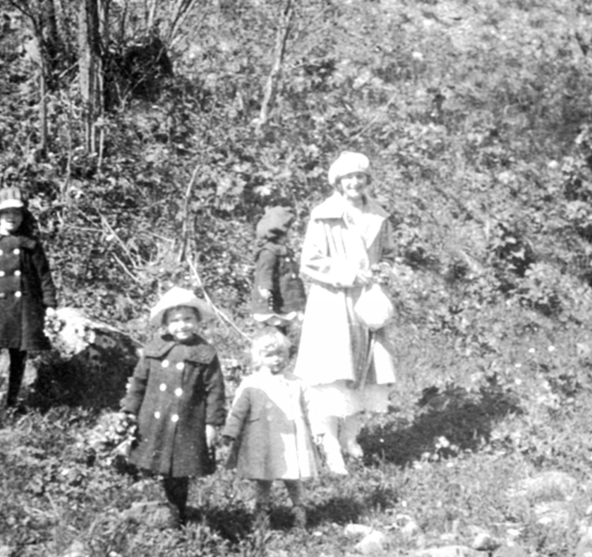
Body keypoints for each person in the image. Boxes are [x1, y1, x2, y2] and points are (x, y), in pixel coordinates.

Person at [293, 151, 397, 475]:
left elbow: (389, 254)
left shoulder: (378, 215)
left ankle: (351, 437)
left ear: (368, 181)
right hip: (332, 301)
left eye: (360, 177)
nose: (354, 183)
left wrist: (382, 273)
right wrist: (349, 273)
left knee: (365, 370)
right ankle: (328, 443)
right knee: (332, 372)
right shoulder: (324, 215)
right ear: (338, 182)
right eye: (347, 178)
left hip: (366, 302)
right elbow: (309, 262)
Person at [119, 287, 227, 527]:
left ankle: (177, 512)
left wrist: (212, 424)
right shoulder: (154, 349)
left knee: (179, 470)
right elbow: (139, 383)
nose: (182, 325)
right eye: (175, 320)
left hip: (186, 424)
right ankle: (150, 510)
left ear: (198, 321)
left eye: (188, 319)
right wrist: (129, 413)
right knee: (150, 462)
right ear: (165, 323)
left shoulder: (205, 353)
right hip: (154, 421)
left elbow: (215, 391)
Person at [0, 186, 58, 418]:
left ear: (23, 216)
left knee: (19, 356)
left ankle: (12, 403)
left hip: (23, 308)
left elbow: (44, 276)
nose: (11, 217)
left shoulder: (30, 245)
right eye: (6, 213)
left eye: (16, 213)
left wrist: (50, 304)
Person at [222, 329, 318, 532]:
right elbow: (238, 410)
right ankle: (261, 514)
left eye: (281, 354)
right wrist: (230, 431)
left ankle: (298, 512)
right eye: (270, 355)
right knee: (263, 478)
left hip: (291, 438)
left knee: (293, 476)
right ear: (259, 358)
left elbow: (311, 408)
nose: (276, 360)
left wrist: (318, 430)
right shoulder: (251, 383)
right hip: (262, 438)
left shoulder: (296, 382)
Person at [249, 206, 306, 333]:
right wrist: (265, 287)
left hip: (286, 298)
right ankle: (273, 345)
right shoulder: (269, 251)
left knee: (285, 327)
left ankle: (284, 346)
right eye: (291, 228)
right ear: (281, 230)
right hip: (274, 301)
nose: (293, 231)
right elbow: (265, 271)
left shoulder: (283, 249)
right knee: (274, 327)